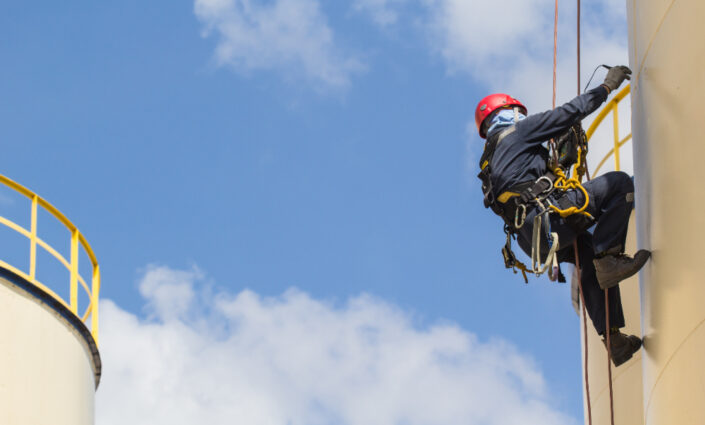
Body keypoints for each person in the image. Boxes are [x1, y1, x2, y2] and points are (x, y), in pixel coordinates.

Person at [475, 65, 650, 366]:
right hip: (549, 219)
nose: (520, 116)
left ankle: (614, 340)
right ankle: (610, 258)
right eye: (517, 112)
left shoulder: (489, 164)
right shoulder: (518, 132)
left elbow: (523, 183)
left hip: (532, 239)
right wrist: (607, 87)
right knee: (619, 184)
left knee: (586, 253)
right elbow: (570, 112)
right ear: (507, 113)